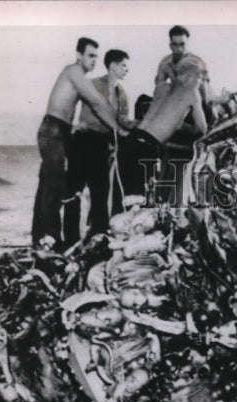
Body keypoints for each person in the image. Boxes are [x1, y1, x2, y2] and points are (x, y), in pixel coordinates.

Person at [31, 37, 127, 250]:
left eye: (96, 56)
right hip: (53, 130)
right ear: (79, 55)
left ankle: (40, 236)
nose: (94, 60)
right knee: (54, 185)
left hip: (62, 132)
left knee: (47, 183)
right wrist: (117, 129)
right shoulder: (74, 72)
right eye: (90, 55)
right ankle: (52, 237)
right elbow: (96, 102)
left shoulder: (80, 76)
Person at [63, 49, 135, 245]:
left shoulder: (122, 94)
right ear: (113, 66)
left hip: (102, 145)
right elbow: (90, 116)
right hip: (83, 142)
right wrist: (117, 126)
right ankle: (70, 241)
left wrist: (140, 124)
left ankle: (98, 238)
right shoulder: (93, 85)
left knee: (100, 194)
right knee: (73, 194)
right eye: (124, 66)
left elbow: (122, 121)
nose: (127, 70)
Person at [120, 56, 209, 199]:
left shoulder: (162, 88)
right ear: (190, 76)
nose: (201, 82)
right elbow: (203, 129)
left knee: (125, 201)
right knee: (141, 206)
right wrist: (183, 127)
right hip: (147, 148)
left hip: (131, 141)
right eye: (200, 76)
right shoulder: (192, 93)